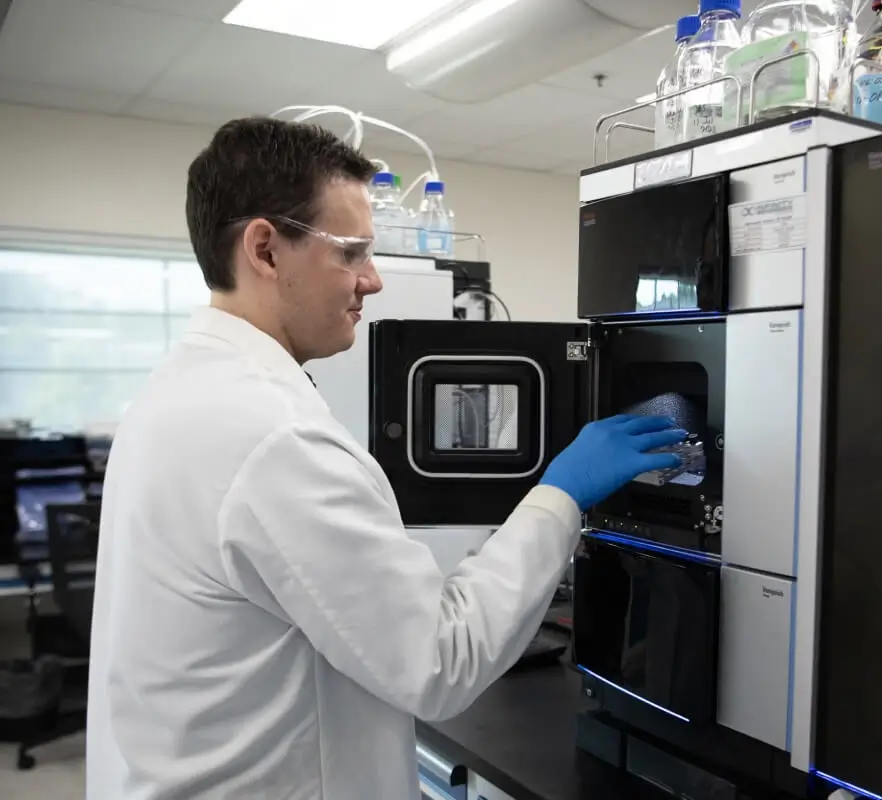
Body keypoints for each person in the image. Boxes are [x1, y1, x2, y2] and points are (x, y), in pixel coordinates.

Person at [85, 117, 687, 799]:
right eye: (350, 252)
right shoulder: (275, 439)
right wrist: (561, 494)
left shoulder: (173, 395)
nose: (371, 279)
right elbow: (440, 659)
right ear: (265, 249)